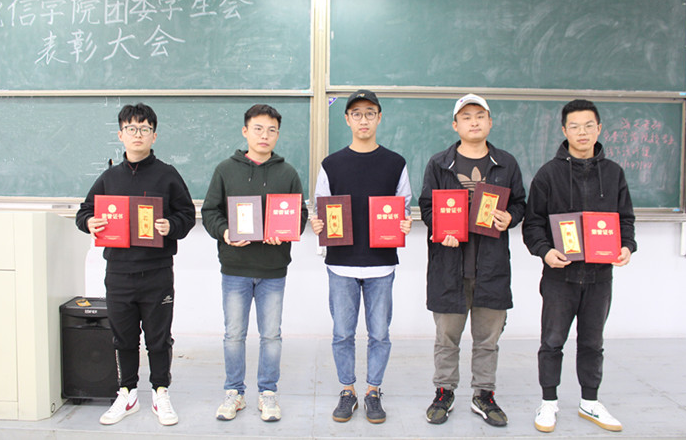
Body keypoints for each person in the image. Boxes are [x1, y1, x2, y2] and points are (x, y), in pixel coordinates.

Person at [75, 103, 196, 426]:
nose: (137, 134)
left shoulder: (167, 175)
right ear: (121, 135)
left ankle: (160, 392)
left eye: (144, 129)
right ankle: (127, 393)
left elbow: (186, 215)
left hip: (156, 272)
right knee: (123, 337)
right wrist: (90, 223)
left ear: (154, 135)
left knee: (158, 337)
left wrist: (171, 225)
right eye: (131, 128)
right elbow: (84, 212)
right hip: (118, 273)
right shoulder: (109, 178)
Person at [522, 99, 636, 433]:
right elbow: (533, 224)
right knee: (552, 341)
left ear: (599, 129)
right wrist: (545, 252)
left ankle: (590, 402)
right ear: (564, 130)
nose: (582, 132)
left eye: (588, 125)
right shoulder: (548, 174)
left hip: (600, 277)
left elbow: (625, 219)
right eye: (574, 126)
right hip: (560, 277)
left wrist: (627, 247)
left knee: (592, 343)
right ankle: (548, 402)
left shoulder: (613, 173)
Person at [419, 93, 526, 427]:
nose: (474, 122)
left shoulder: (506, 163)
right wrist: (441, 229)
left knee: (487, 340)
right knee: (446, 338)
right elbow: (427, 207)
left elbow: (520, 203)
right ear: (455, 125)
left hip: (491, 266)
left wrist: (510, 217)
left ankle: (484, 394)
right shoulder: (439, 164)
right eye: (466, 117)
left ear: (490, 122)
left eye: (480, 116)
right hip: (449, 265)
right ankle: (444, 392)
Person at [310, 89, 413, 424]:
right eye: (356, 113)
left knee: (379, 334)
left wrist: (405, 223)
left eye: (370, 113)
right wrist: (317, 223)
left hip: (381, 264)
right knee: (342, 333)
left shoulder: (395, 163)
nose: (363, 119)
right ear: (347, 119)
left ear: (379, 118)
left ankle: (373, 391)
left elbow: (403, 206)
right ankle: (347, 390)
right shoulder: (331, 164)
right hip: (341, 264)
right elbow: (321, 207)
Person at [201, 104, 308, 423]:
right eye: (258, 129)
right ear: (245, 131)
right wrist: (225, 232)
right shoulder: (225, 169)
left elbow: (299, 215)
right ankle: (234, 392)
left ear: (278, 134)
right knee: (234, 334)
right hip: (235, 267)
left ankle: (268, 393)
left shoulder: (288, 173)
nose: (265, 135)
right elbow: (210, 212)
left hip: (273, 269)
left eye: (272, 130)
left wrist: (285, 234)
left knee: (271, 335)